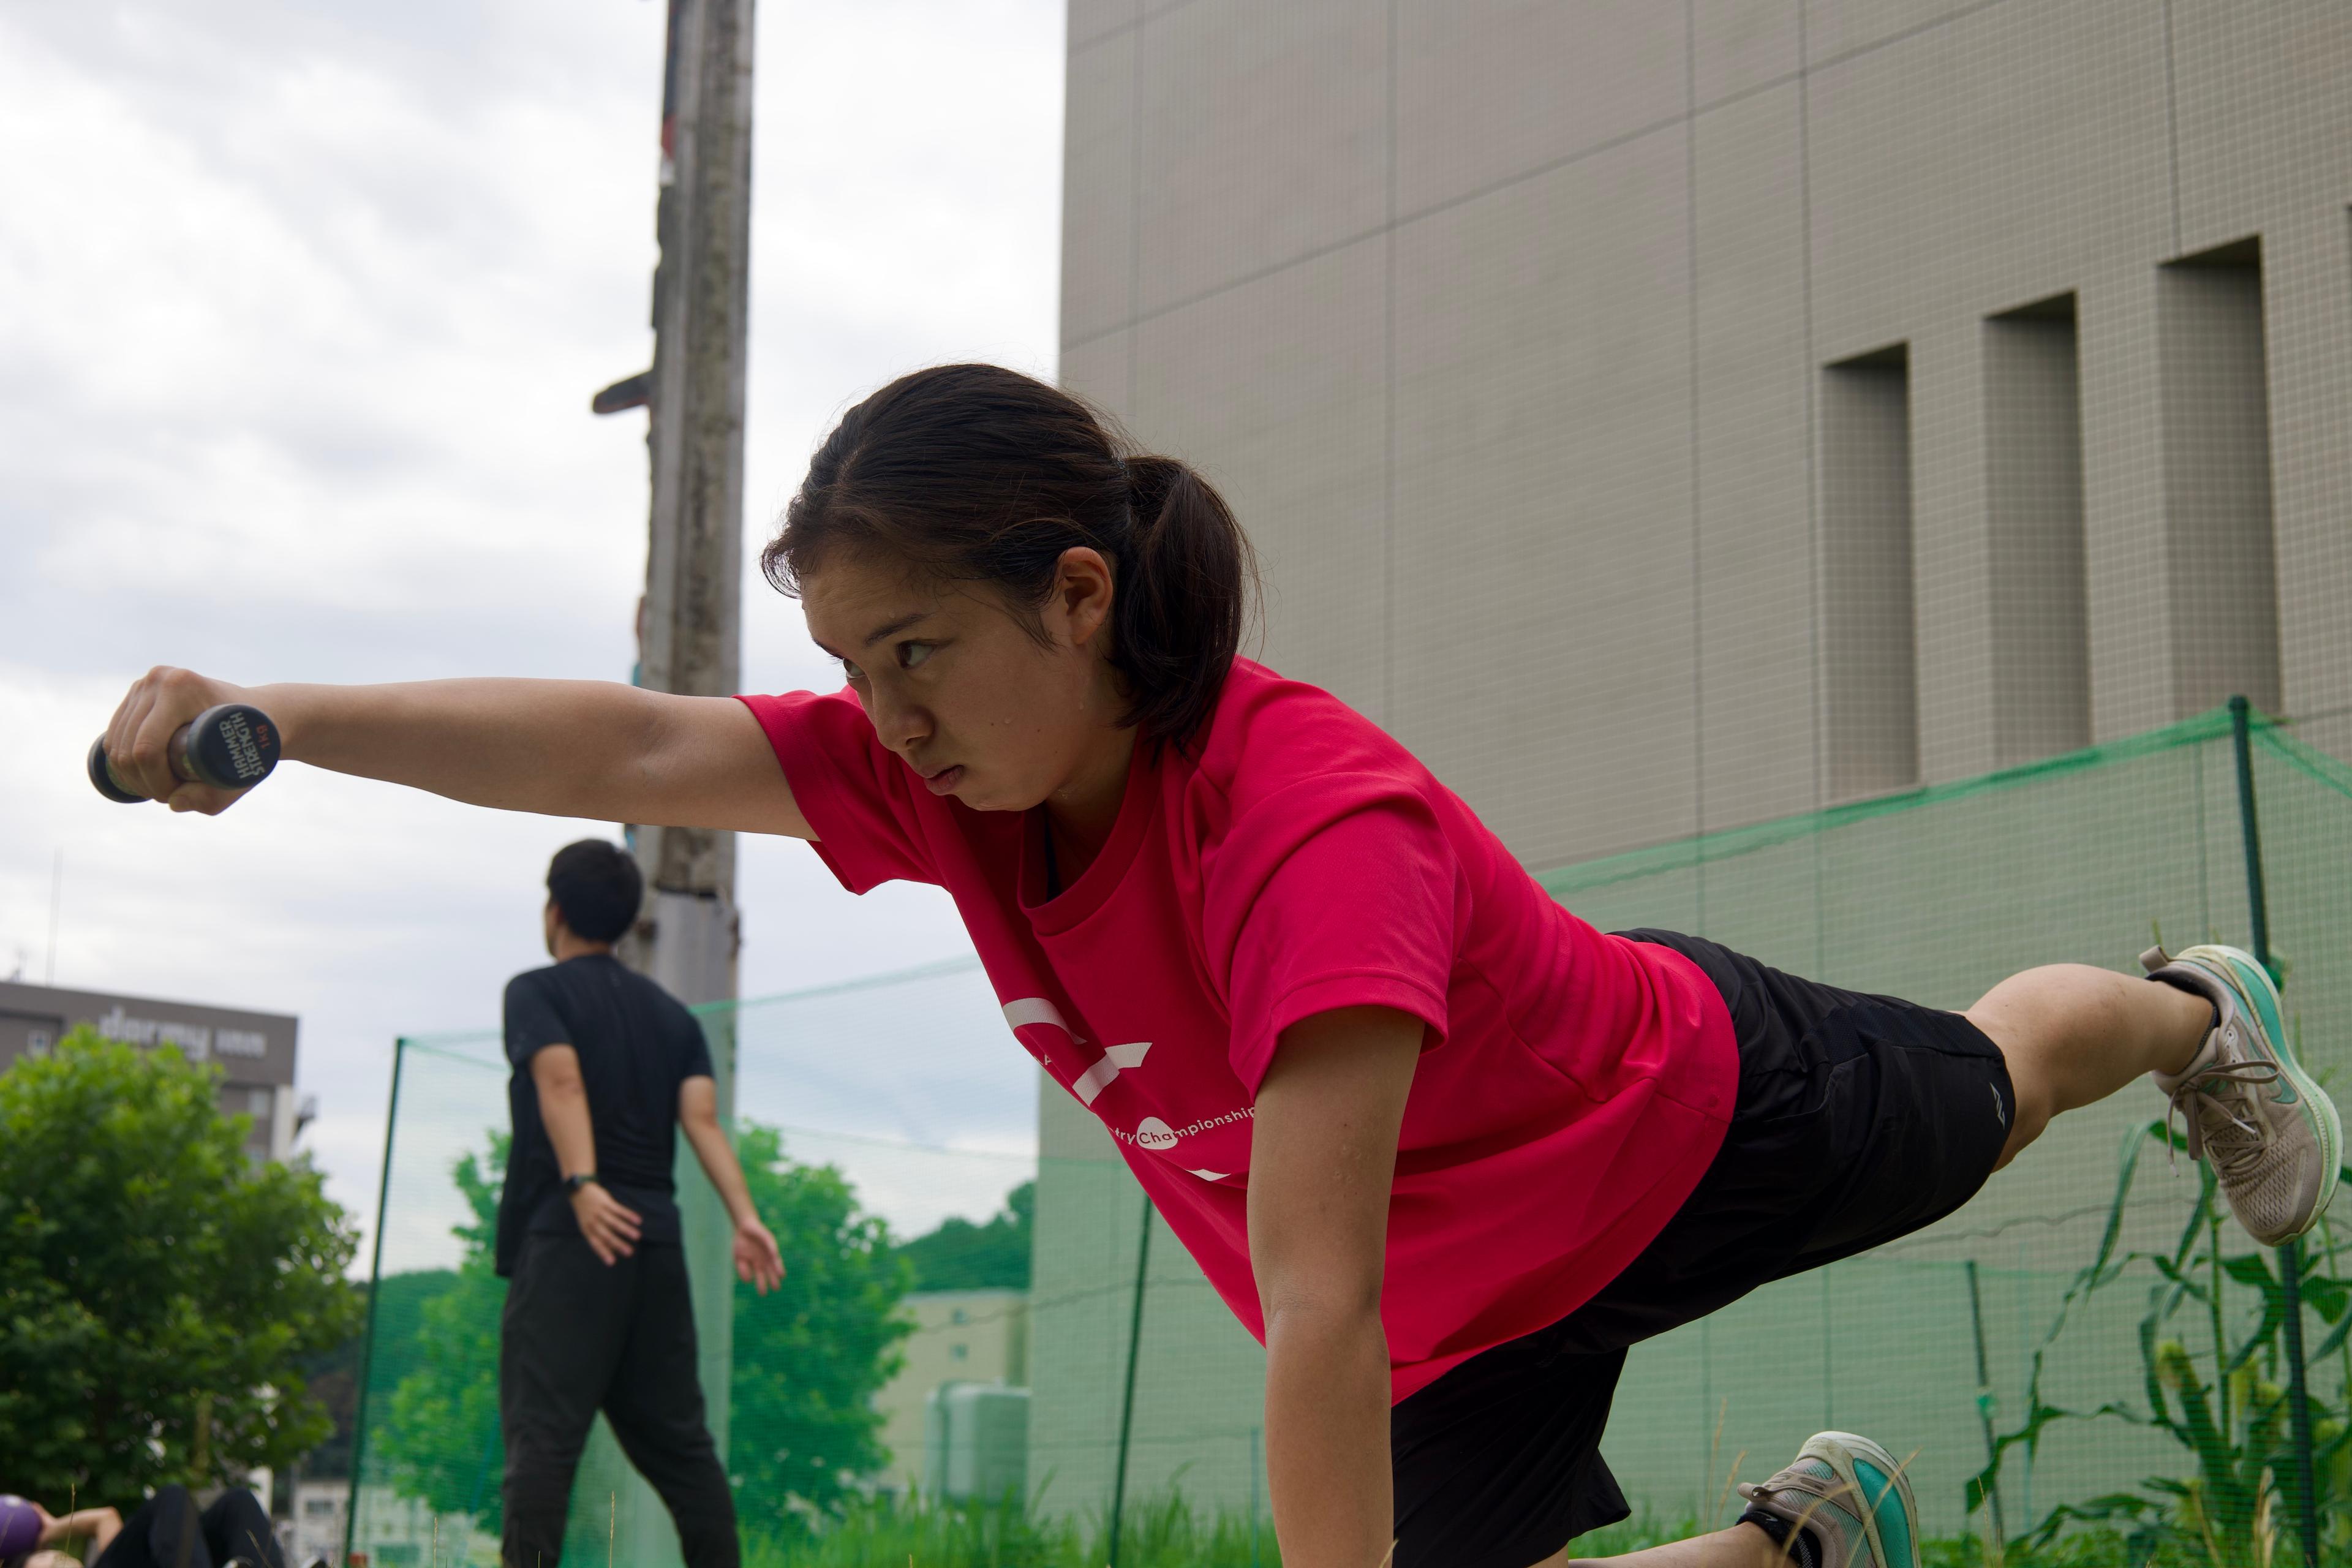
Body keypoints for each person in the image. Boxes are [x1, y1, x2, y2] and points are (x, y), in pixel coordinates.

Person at [99, 363, 2339, 1568]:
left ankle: (2194, 1006)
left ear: (1079, 592)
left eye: (918, 651)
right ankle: (1812, 1530)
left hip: (1676, 1125)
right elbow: (627, 735)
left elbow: (1322, 1290)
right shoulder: (944, 774)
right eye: (850, 666)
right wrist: (286, 712)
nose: (882, 713)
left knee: (1991, 1078)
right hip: (1460, 1311)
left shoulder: (1307, 828)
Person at [491, 840, 786, 1568]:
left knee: (544, 1443)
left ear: (554, 909)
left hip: (573, 1235)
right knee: (685, 1451)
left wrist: (584, 1185)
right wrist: (746, 1216)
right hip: (655, 1242)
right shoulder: (675, 1019)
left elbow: (562, 1084)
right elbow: (703, 1122)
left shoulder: (537, 991)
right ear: (625, 921)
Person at [2, 1485, 276, 1568]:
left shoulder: (110, 1560)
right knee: (172, 1497)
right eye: (48, 1565)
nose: (58, 1560)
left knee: (238, 1503)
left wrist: (51, 1528)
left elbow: (106, 1517)